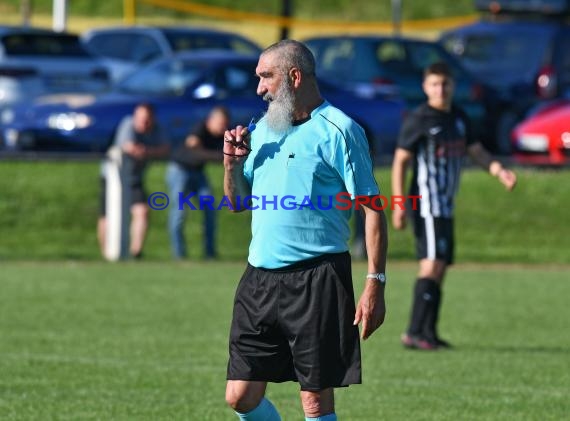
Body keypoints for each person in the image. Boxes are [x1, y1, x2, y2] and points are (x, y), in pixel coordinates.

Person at [222, 40, 388, 421]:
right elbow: (235, 204)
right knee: (240, 396)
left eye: (266, 77)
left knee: (314, 401)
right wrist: (231, 165)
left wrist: (374, 282)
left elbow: (373, 210)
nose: (259, 88)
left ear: (294, 77)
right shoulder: (262, 130)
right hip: (258, 280)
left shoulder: (341, 130)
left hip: (318, 279)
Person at [391, 62, 517, 350]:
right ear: (425, 87)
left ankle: (429, 332)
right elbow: (400, 161)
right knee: (431, 264)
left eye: (445, 84)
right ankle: (414, 332)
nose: (440, 89)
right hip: (426, 203)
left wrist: (499, 170)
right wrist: (399, 204)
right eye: (434, 84)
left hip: (446, 204)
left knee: (441, 267)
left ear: (453, 85)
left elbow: (477, 151)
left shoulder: (458, 118)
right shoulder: (419, 118)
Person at [97, 103, 170, 259]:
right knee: (107, 216)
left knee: (142, 211)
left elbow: (165, 149)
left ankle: (135, 252)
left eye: (147, 120)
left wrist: (146, 151)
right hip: (112, 178)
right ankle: (107, 255)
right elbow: (129, 147)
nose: (143, 123)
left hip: (134, 178)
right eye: (141, 119)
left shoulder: (157, 128)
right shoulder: (128, 124)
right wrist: (149, 151)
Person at [166, 106, 228, 259]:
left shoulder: (222, 136)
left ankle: (210, 254)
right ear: (210, 121)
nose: (222, 128)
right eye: (220, 124)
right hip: (179, 170)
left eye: (225, 124)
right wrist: (221, 155)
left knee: (209, 209)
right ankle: (179, 255)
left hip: (198, 172)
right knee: (179, 212)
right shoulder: (199, 128)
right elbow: (194, 148)